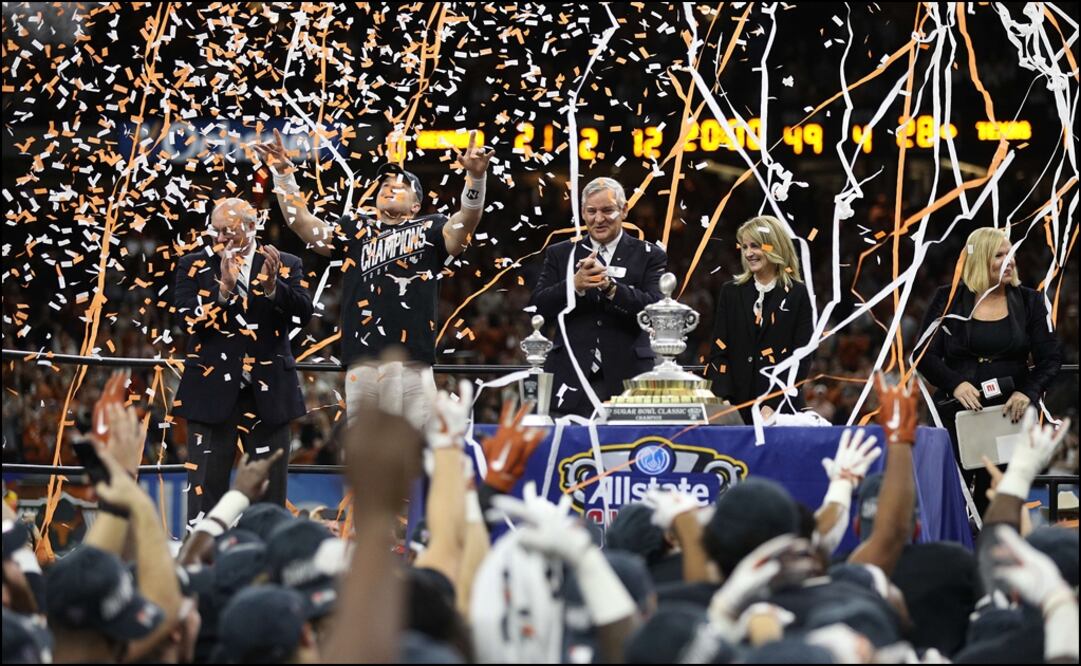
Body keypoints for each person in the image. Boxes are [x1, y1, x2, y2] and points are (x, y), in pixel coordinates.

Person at [255, 129, 493, 429]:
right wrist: (282, 174)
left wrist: (475, 179)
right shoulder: (354, 228)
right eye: (385, 185)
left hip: (412, 364)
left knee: (416, 448)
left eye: (400, 187)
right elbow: (301, 222)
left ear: (416, 205)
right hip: (362, 363)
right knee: (363, 450)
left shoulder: (433, 227)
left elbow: (467, 221)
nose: (390, 189)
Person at [173, 197, 314, 523]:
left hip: (269, 395)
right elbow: (185, 321)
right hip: (210, 394)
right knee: (204, 496)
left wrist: (273, 287)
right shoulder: (192, 264)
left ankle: (268, 553)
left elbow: (304, 313)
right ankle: (204, 554)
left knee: (270, 499)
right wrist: (222, 292)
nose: (221, 238)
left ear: (252, 227)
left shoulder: (285, 263)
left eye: (229, 230)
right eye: (216, 231)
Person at [915, 226, 1063, 513]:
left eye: (1011, 253)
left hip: (1008, 416)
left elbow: (1051, 357)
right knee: (948, 499)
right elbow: (923, 354)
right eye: (999, 255)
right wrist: (955, 383)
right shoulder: (948, 298)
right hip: (955, 413)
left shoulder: (1030, 301)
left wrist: (1027, 392)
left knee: (997, 501)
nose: (1010, 261)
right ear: (980, 259)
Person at [528, 177, 667, 418]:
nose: (599, 219)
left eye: (607, 210)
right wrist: (573, 285)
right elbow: (537, 307)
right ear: (582, 212)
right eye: (591, 211)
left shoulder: (649, 255)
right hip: (570, 378)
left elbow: (656, 310)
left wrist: (611, 289)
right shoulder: (560, 253)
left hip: (630, 380)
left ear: (624, 210)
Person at [705, 215, 814, 425]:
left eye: (755, 246)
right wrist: (725, 400)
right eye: (745, 247)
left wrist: (772, 404)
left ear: (775, 246)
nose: (748, 253)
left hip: (782, 411)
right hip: (735, 411)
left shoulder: (798, 294)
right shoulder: (730, 292)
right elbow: (719, 353)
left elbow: (801, 356)